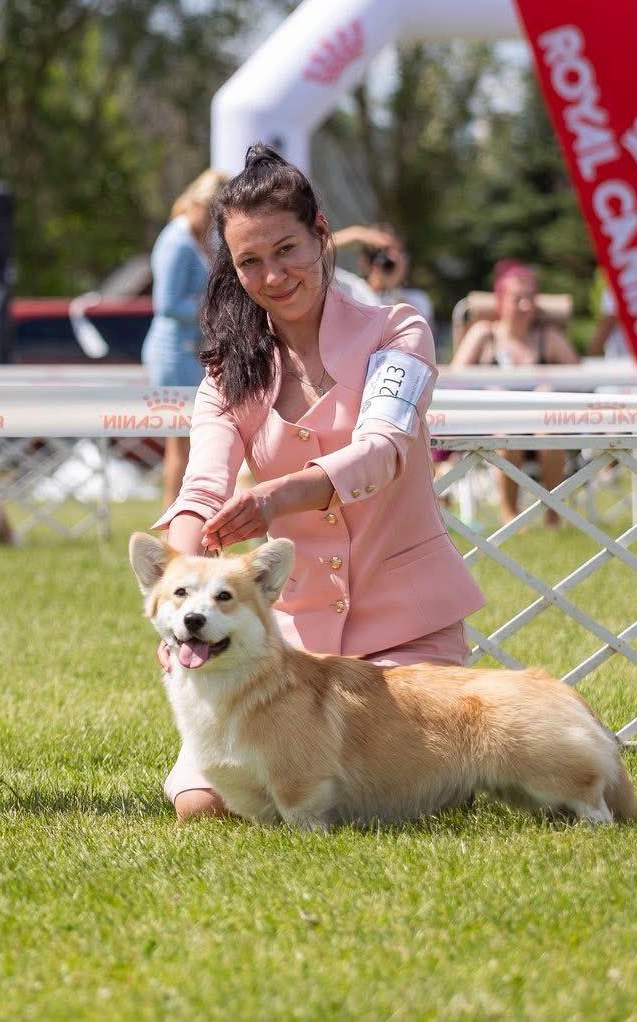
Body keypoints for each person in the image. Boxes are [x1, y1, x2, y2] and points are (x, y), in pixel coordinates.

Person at [155, 144, 485, 823]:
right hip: (289, 652)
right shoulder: (227, 375)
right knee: (199, 805)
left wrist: (279, 495)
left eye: (286, 250)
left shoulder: (399, 331)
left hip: (406, 635)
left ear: (322, 233)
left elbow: (385, 448)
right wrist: (179, 589)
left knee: (396, 799)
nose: (272, 276)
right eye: (249, 261)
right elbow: (201, 492)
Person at [449, 260, 578, 525]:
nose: (526, 306)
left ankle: (553, 518)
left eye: (531, 298)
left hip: (541, 422)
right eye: (518, 298)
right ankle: (511, 519)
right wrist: (488, 387)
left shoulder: (548, 337)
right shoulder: (484, 335)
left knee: (550, 435)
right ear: (500, 301)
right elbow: (454, 379)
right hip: (493, 425)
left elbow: (579, 379)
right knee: (509, 435)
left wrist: (551, 386)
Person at [142, 169, 225, 504]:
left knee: (190, 440)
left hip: (190, 350)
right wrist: (213, 310)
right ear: (202, 205)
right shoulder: (176, 242)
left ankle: (184, 513)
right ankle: (171, 519)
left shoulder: (198, 239)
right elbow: (166, 304)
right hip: (172, 353)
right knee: (181, 440)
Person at [332, 224, 435, 331]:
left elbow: (419, 338)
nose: (387, 261)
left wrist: (393, 290)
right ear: (364, 260)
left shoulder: (417, 300)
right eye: (378, 254)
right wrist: (356, 234)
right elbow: (314, 260)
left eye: (397, 254)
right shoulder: (347, 287)